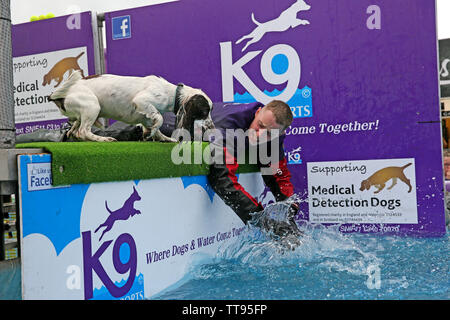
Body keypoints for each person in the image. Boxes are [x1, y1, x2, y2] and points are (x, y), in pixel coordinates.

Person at [161, 100, 302, 240]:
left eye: (269, 134)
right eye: (259, 126)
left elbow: (278, 174)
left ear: (280, 133)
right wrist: (261, 219)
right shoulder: (229, 127)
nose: (260, 135)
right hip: (162, 122)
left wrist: (289, 207)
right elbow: (222, 180)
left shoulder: (273, 132)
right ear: (257, 112)